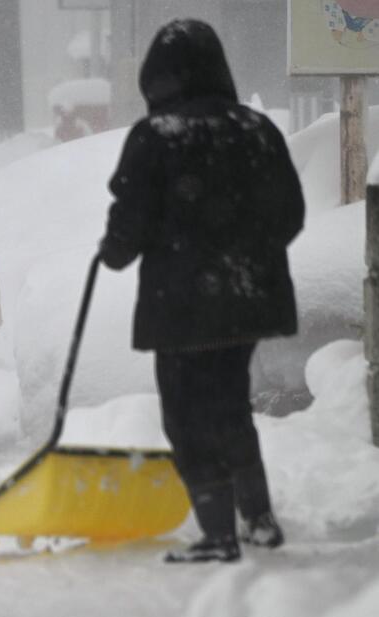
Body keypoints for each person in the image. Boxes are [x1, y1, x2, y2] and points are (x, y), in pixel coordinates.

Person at [98, 19, 304, 563]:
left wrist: (115, 249)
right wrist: (244, 253)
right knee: (229, 404)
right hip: (247, 297)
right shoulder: (257, 129)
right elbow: (289, 214)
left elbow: (130, 224)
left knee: (187, 415)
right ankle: (258, 518)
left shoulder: (156, 135)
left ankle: (217, 533)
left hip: (181, 305)